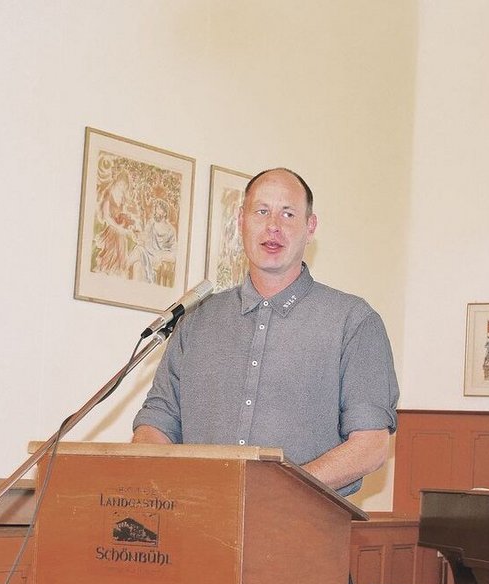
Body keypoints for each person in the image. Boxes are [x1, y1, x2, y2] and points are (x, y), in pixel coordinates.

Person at [132, 167, 398, 496]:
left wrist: (275, 493)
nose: (273, 226)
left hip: (302, 530)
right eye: (261, 211)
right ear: (241, 221)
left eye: (288, 213)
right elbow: (158, 422)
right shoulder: (197, 321)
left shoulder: (353, 321)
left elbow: (370, 447)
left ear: (309, 227)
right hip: (199, 523)